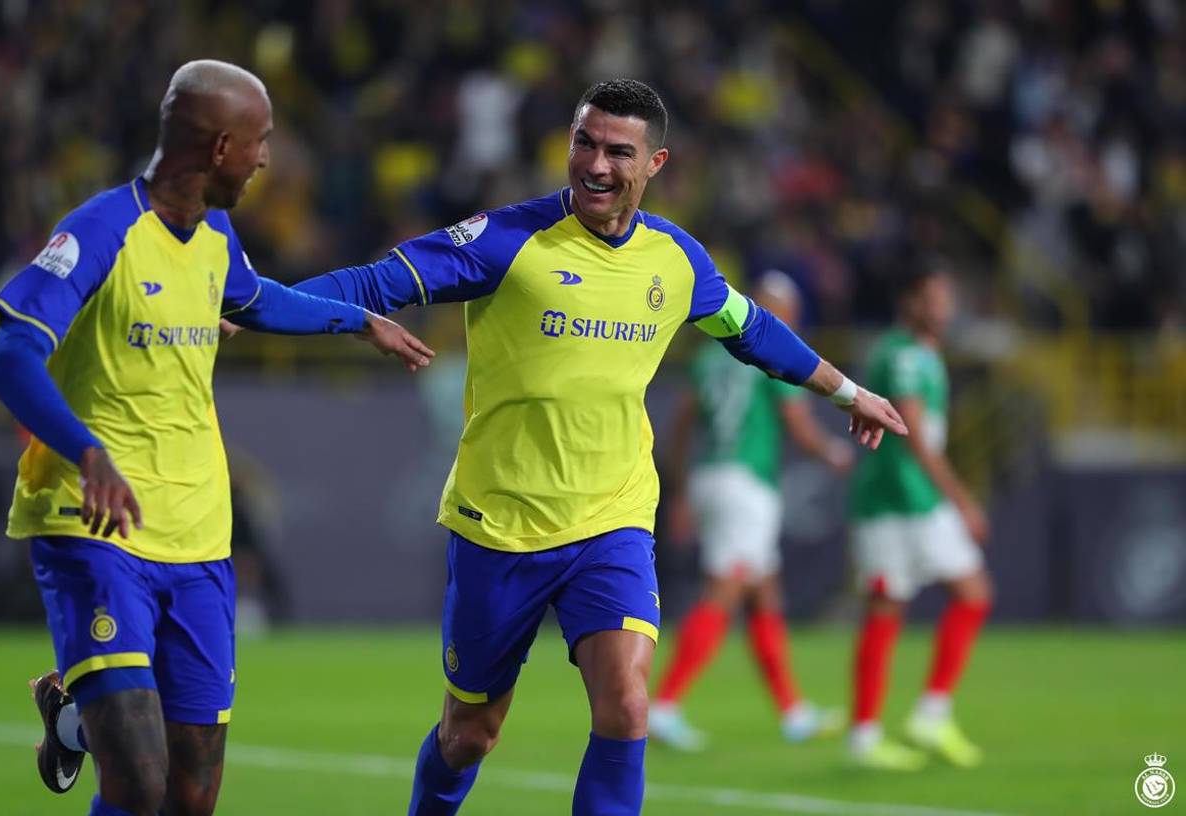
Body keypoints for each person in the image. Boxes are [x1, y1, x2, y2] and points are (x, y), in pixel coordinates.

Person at [295, 78, 906, 816]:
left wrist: (847, 391)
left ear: (656, 164)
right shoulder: (507, 239)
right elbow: (378, 280)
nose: (596, 164)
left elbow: (752, 331)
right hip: (501, 523)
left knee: (626, 706)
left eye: (619, 151)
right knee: (470, 734)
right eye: (584, 143)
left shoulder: (675, 260)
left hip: (612, 519)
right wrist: (259, 304)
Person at [0, 60, 432, 816]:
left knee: (190, 794)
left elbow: (255, 301)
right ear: (222, 146)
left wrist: (359, 322)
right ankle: (86, 720)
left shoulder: (215, 233)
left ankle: (72, 719)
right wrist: (86, 450)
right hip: (94, 526)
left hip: (198, 535)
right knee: (137, 782)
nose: (266, 160)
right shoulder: (101, 230)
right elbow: (9, 356)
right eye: (260, 142)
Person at [649, 271, 854, 752]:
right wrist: (832, 452)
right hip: (745, 483)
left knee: (763, 594)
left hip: (710, 476)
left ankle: (793, 712)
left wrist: (681, 491)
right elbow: (796, 421)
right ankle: (664, 704)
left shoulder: (708, 356)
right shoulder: (770, 352)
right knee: (727, 587)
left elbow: (681, 424)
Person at [845, 264, 992, 771]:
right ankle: (878, 732)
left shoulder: (922, 353)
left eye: (946, 298)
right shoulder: (903, 354)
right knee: (900, 605)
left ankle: (915, 718)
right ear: (909, 301)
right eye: (932, 298)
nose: (942, 308)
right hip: (900, 501)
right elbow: (914, 436)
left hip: (908, 501)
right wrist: (962, 499)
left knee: (957, 596)